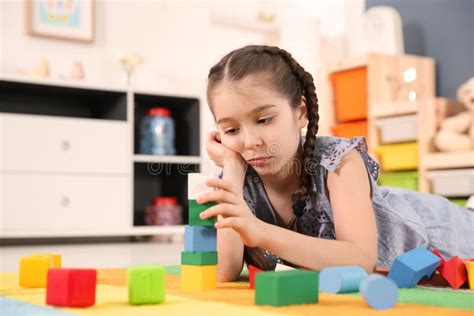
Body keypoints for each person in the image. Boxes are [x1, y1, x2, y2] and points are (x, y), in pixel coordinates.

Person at [195, 45, 474, 282]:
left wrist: (260, 232)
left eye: (264, 120)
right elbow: (225, 271)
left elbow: (361, 260)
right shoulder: (239, 173)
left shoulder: (338, 161)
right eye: (231, 130)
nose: (249, 142)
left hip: (443, 235)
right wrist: (231, 168)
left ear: (300, 112)